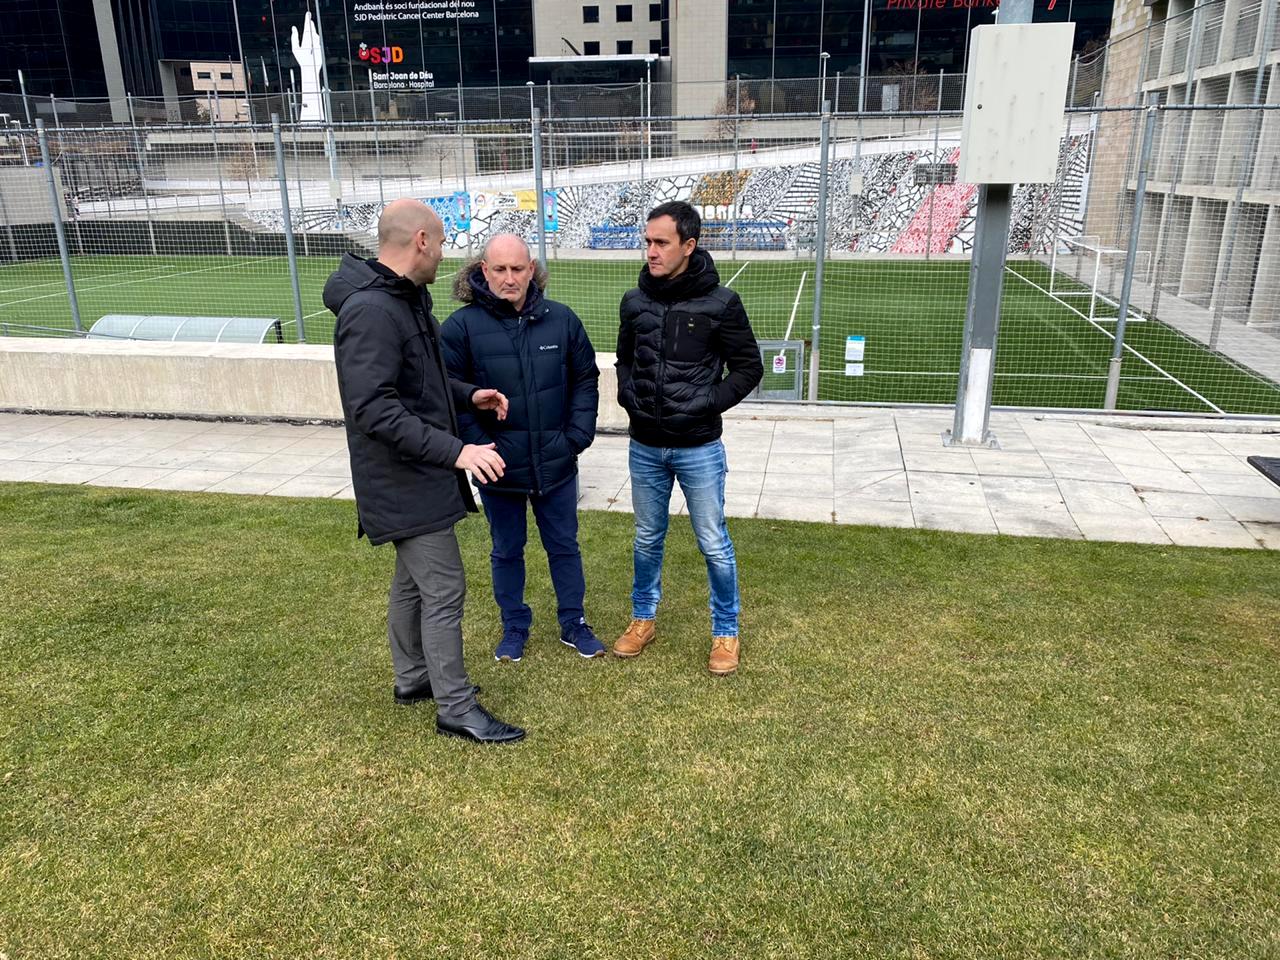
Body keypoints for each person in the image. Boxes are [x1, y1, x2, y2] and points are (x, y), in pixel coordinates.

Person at [323, 199, 525, 744]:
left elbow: (420, 381)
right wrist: (459, 452)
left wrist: (469, 395)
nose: (442, 253)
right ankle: (456, 708)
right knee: (444, 589)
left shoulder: (404, 299)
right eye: (440, 242)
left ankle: (413, 677)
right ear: (420, 241)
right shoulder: (371, 310)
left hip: (420, 472)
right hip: (401, 480)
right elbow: (373, 408)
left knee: (412, 583)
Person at [614, 201, 763, 676]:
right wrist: (627, 394)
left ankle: (726, 631)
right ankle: (643, 620)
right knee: (646, 538)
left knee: (713, 542)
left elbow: (748, 368)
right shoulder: (634, 302)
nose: (651, 251)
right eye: (648, 242)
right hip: (644, 445)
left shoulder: (722, 304)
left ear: (689, 245)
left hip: (699, 447)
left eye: (661, 243)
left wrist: (705, 403)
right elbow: (624, 358)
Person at [441, 233, 603, 663]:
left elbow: (586, 380)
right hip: (499, 467)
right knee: (506, 549)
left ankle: (574, 622)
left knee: (564, 546)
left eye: (517, 269)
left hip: (556, 463)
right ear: (484, 271)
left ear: (532, 270)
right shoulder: (460, 328)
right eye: (500, 269)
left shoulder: (562, 320)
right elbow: (449, 394)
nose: (509, 278)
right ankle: (514, 625)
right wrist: (480, 447)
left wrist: (575, 437)